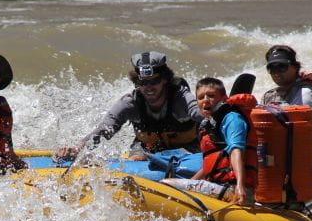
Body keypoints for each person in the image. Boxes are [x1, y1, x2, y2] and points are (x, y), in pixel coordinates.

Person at [57, 51, 203, 161]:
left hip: (189, 151)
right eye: (143, 83)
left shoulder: (180, 98)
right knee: (137, 158)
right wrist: (77, 149)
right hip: (147, 152)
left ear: (165, 79)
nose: (149, 88)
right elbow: (104, 130)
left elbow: (200, 113)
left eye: (154, 81)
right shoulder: (129, 104)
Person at [160, 77, 258, 205]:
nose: (205, 100)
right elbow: (210, 165)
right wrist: (192, 182)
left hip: (233, 189)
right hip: (218, 185)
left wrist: (240, 186)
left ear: (223, 98)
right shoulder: (209, 124)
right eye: (200, 97)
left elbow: (236, 151)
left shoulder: (232, 119)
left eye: (211, 96)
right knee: (175, 185)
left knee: (165, 185)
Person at [260, 44, 312, 144]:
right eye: (272, 68)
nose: (277, 72)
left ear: (295, 66)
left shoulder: (306, 92)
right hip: (283, 150)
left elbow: (297, 125)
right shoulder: (269, 96)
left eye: (282, 67)